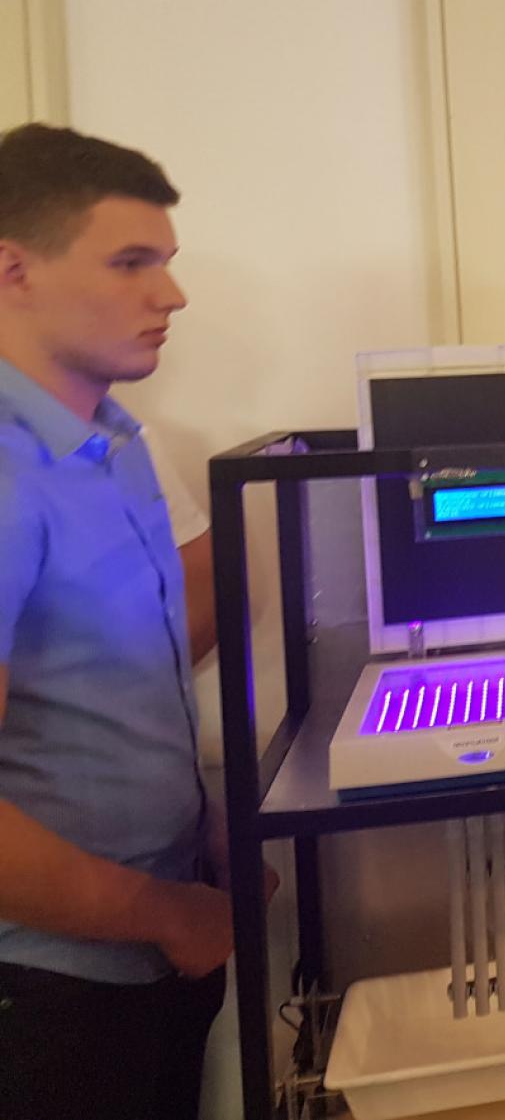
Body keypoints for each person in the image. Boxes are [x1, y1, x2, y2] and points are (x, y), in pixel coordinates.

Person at [0, 124, 233, 1119]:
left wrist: (204, 840)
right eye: (132, 262)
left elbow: (116, 688)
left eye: (166, 262)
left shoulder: (114, 442)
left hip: (153, 952)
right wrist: (168, 912)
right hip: (49, 991)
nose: (170, 294)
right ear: (14, 270)